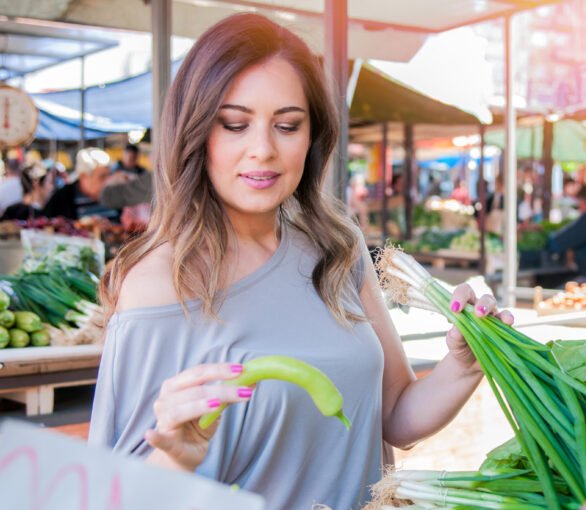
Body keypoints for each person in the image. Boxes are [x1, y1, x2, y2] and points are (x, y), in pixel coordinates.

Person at [89, 14, 512, 510]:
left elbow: (394, 415)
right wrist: (175, 461)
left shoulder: (338, 247)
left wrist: (463, 365)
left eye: (287, 125)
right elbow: (117, 494)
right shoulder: (162, 282)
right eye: (235, 124)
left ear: (312, 136)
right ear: (196, 131)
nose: (263, 150)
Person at [42, 148, 118, 221]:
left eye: (109, 175)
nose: (108, 181)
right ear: (83, 177)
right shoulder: (62, 199)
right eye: (102, 177)